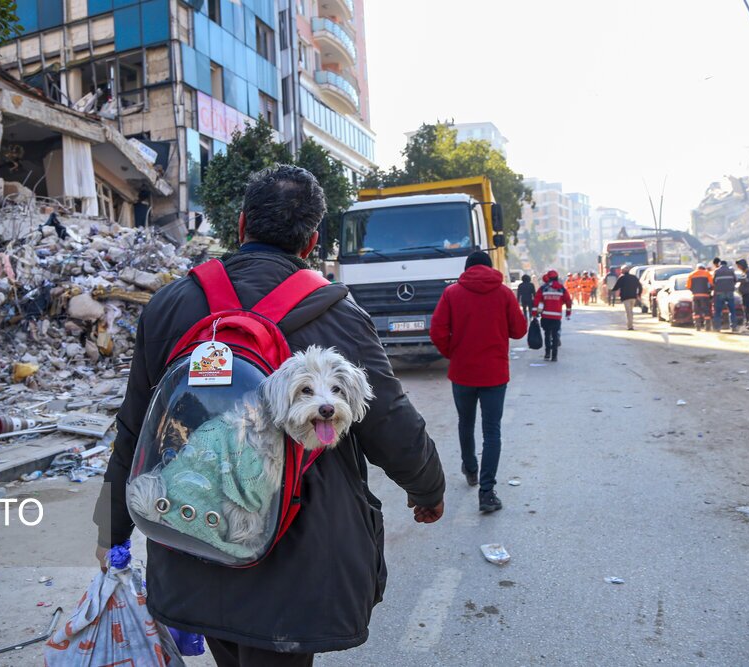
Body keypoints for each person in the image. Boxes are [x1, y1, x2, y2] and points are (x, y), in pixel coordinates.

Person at [93, 165, 446, 667]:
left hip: (195, 540)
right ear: (312, 241)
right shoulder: (341, 314)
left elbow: (134, 430)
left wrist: (111, 533)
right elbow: (390, 420)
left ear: (241, 227)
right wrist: (427, 489)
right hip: (297, 562)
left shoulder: (171, 305)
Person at [430, 251, 527, 513]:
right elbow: (519, 330)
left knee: (466, 422)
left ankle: (470, 468)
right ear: (489, 267)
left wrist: (454, 353)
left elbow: (437, 331)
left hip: (463, 373)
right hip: (495, 375)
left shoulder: (452, 294)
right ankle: (487, 492)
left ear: (467, 269)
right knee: (492, 431)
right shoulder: (504, 293)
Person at [532, 270, 572, 361]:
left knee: (547, 335)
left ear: (548, 278)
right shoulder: (561, 288)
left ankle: (547, 354)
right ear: (557, 277)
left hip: (545, 317)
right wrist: (568, 313)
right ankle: (554, 356)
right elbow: (568, 301)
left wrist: (534, 314)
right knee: (555, 336)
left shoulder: (543, 288)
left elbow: (536, 301)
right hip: (556, 317)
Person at [611, 265, 642, 330]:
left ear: (623, 271)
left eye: (621, 270)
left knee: (628, 312)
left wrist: (611, 291)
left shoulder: (621, 278)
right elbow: (640, 286)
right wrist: (638, 294)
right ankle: (630, 324)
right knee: (630, 311)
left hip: (626, 298)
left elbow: (616, 287)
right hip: (633, 297)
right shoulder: (634, 277)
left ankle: (630, 326)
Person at [686, 263, 714, 331]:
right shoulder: (707, 273)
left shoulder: (691, 274)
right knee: (706, 311)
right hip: (705, 296)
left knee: (696, 311)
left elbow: (688, 286)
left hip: (695, 296)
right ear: (703, 268)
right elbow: (712, 284)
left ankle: (697, 327)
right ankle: (707, 327)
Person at [713, 260, 738, 332]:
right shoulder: (731, 271)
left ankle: (717, 327)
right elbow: (735, 280)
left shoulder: (716, 271)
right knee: (732, 310)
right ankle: (734, 327)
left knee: (718, 311)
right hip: (730, 292)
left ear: (720, 264)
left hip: (720, 293)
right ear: (726, 264)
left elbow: (714, 281)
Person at [736, 259, 749, 330]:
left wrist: (737, 279)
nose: (738, 267)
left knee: (747, 308)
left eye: (739, 265)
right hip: (745, 293)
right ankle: (748, 322)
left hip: (748, 292)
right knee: (745, 308)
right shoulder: (744, 272)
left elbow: (746, 280)